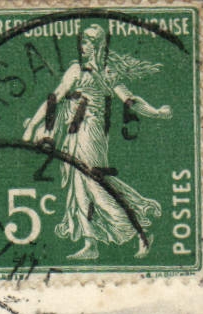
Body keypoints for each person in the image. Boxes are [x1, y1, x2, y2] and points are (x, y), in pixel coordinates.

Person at [20, 23, 173, 259]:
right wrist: (32, 125)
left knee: (95, 186)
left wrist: (156, 113)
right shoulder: (75, 71)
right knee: (78, 186)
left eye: (88, 42)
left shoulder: (107, 72)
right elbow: (55, 98)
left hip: (91, 134)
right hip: (73, 133)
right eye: (82, 42)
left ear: (98, 45)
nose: (82, 47)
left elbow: (130, 101)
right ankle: (90, 243)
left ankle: (139, 232)